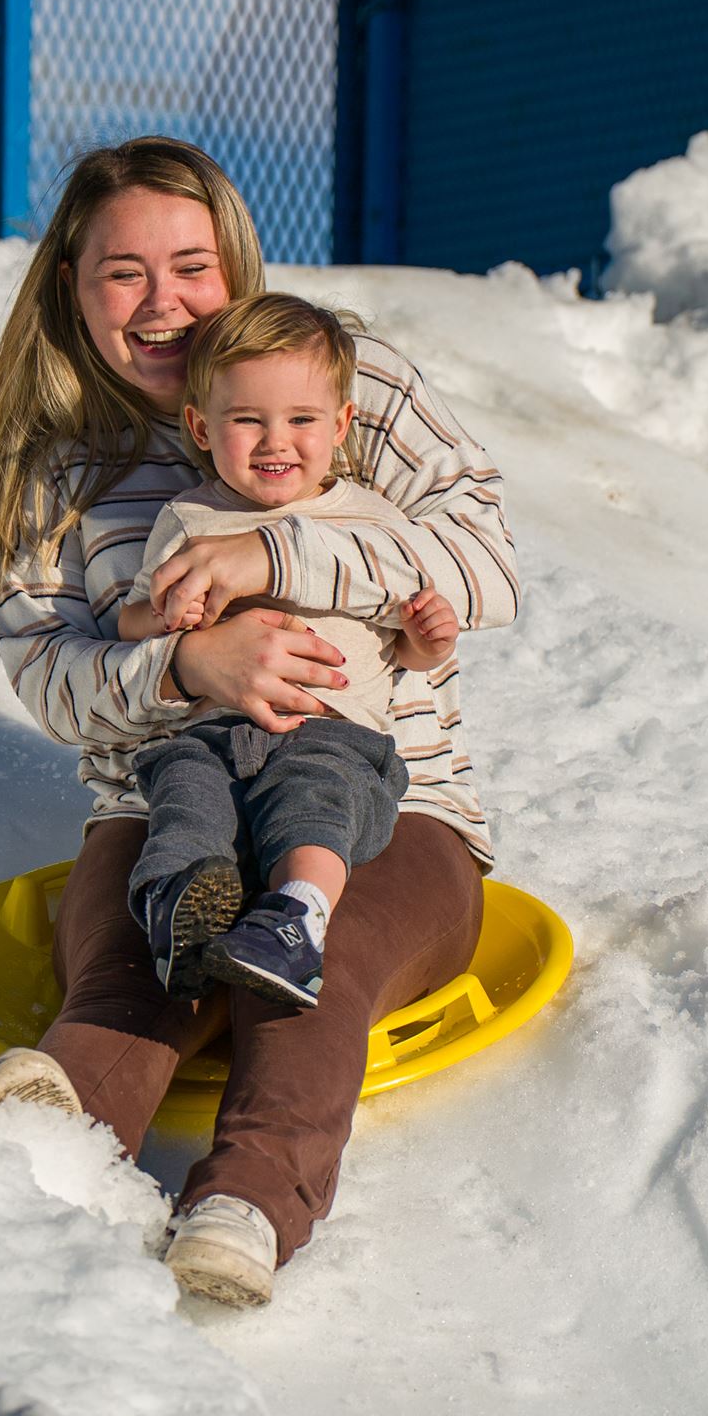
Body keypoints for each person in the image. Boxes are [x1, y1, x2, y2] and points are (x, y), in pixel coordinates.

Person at [0, 137, 519, 1309]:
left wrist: (276, 546)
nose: (163, 303)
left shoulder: (334, 376)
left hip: (388, 798)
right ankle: (35, 1157)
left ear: (235, 265)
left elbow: (487, 564)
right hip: (170, 786)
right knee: (154, 939)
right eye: (122, 272)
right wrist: (183, 664)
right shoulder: (55, 476)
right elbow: (51, 679)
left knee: (311, 948)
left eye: (190, 266)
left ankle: (248, 1201)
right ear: (70, 281)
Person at [113, 293, 460, 1012]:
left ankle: (299, 917)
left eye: (301, 420)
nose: (276, 442)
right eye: (248, 421)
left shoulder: (369, 519)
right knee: (183, 795)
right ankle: (176, 907)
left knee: (315, 801)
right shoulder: (188, 519)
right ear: (202, 428)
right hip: (212, 731)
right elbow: (133, 622)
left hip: (332, 731)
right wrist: (166, 616)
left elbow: (405, 651)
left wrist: (428, 639)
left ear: (340, 425)